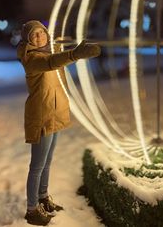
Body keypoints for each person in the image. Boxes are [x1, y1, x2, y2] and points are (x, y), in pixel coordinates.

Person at [17, 20, 101, 226]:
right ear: (28, 40)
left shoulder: (49, 51)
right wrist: (75, 54)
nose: (39, 37)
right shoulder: (32, 58)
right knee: (37, 166)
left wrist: (68, 46)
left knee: (47, 161)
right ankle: (32, 209)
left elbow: (55, 57)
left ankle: (43, 198)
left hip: (56, 113)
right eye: (34, 35)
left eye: (41, 33)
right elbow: (51, 62)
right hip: (42, 115)